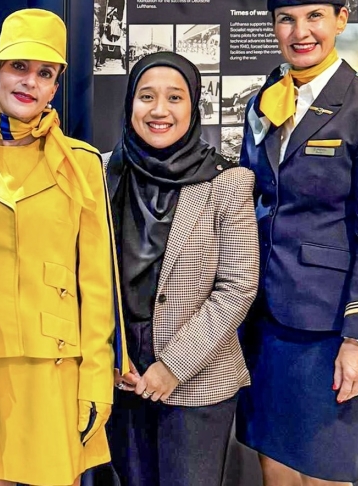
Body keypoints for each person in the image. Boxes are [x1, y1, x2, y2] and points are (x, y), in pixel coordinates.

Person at [236, 0, 358, 485]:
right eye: (286, 20)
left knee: (325, 473)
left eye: (315, 16)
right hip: (264, 322)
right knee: (275, 468)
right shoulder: (264, 102)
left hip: (327, 328)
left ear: (341, 18)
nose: (300, 32)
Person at [0, 9, 123, 486]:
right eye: (19, 67)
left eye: (44, 73)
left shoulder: (81, 164)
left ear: (55, 87)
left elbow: (97, 282)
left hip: (57, 370)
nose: (30, 82)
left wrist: (96, 378)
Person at [105, 52, 259, 486]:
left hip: (197, 383)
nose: (159, 110)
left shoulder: (226, 182)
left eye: (174, 97)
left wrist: (173, 365)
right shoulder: (100, 173)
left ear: (193, 106)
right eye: (146, 96)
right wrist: (110, 357)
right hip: (120, 380)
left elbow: (238, 286)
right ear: (129, 104)